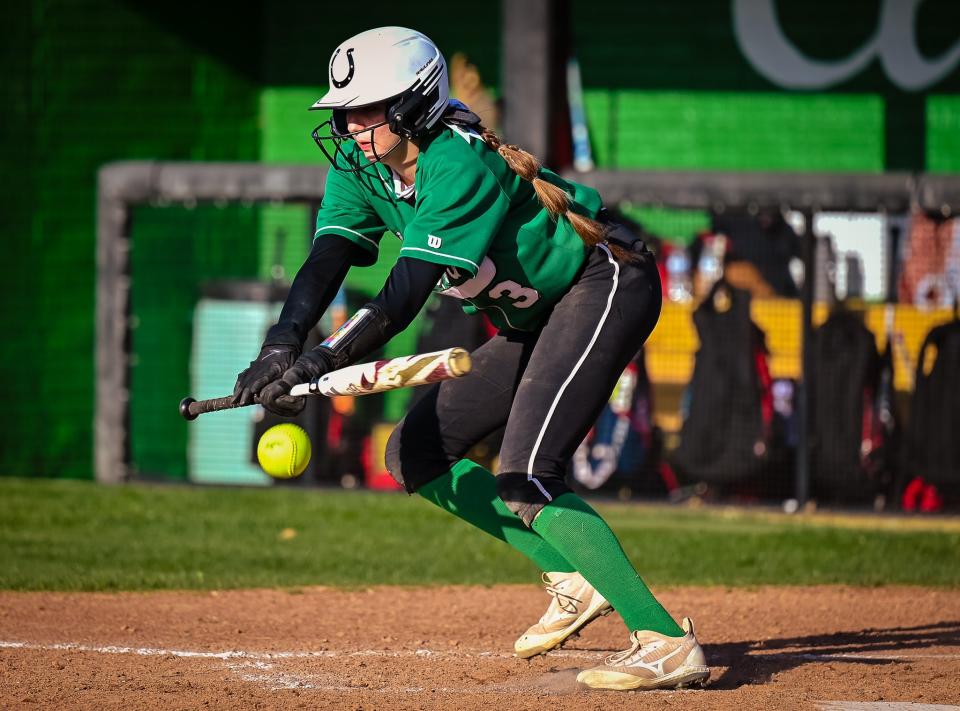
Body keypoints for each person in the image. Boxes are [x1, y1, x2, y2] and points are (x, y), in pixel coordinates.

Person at [232, 26, 709, 692]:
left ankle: (663, 639)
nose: (348, 124)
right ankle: (572, 576)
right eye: (343, 110)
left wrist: (327, 358)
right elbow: (329, 256)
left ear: (414, 105)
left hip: (602, 285)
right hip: (536, 315)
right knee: (416, 452)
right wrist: (282, 344)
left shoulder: (455, 162)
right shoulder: (358, 163)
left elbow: (403, 296)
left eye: (366, 109)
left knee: (526, 471)